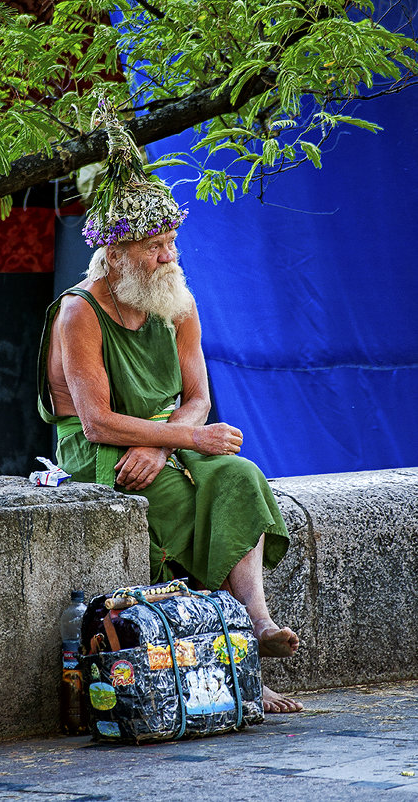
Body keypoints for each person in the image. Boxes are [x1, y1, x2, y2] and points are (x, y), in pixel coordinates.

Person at [38, 100, 303, 714]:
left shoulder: (177, 298)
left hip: (162, 439)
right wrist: (180, 441)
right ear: (116, 254)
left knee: (239, 477)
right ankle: (237, 672)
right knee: (181, 504)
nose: (169, 257)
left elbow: (198, 398)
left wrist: (165, 441)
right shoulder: (80, 311)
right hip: (97, 451)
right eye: (154, 246)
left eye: (171, 241)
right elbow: (98, 421)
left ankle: (258, 627)